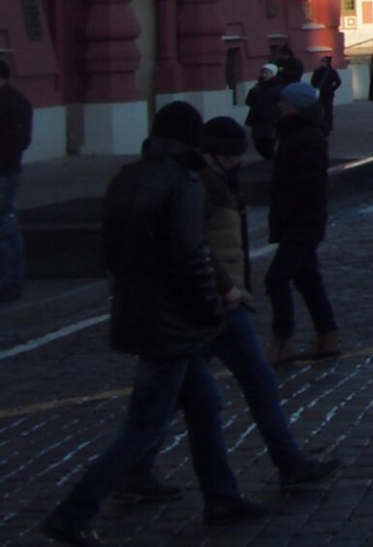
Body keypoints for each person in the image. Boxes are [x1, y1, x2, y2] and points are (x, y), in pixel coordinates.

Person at [38, 103, 270, 544]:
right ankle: (75, 510)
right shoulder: (183, 185)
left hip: (138, 310)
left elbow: (108, 249)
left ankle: (221, 495)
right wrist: (215, 306)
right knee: (145, 423)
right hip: (175, 323)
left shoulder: (126, 178)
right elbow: (191, 256)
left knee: (205, 406)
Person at [115, 116, 341, 506]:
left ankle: (144, 470)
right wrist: (228, 289)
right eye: (234, 155)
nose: (239, 162)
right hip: (215, 303)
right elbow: (191, 247)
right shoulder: (195, 185)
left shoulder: (210, 181)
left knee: (174, 396)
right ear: (213, 152)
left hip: (207, 300)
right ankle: (286, 464)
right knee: (252, 382)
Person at [265, 84, 339, 364]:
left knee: (276, 278)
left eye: (284, 102)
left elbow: (308, 184)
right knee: (308, 280)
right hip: (299, 220)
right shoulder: (296, 134)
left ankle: (284, 341)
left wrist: (289, 210)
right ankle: (327, 336)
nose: (280, 106)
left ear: (296, 106)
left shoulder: (305, 137)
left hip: (301, 221)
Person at [0, 60, 28, 303]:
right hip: (6, 170)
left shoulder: (13, 103)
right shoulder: (15, 101)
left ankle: (10, 282)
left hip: (4, 172)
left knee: (6, 226)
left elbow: (18, 140)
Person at [243, 63, 282, 159]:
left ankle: (273, 163)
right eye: (263, 73)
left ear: (273, 74)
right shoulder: (258, 86)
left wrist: (276, 116)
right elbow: (249, 102)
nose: (264, 75)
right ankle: (270, 160)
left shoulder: (278, 88)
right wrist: (253, 92)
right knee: (258, 142)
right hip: (257, 119)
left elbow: (281, 104)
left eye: (267, 73)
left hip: (271, 121)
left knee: (268, 143)